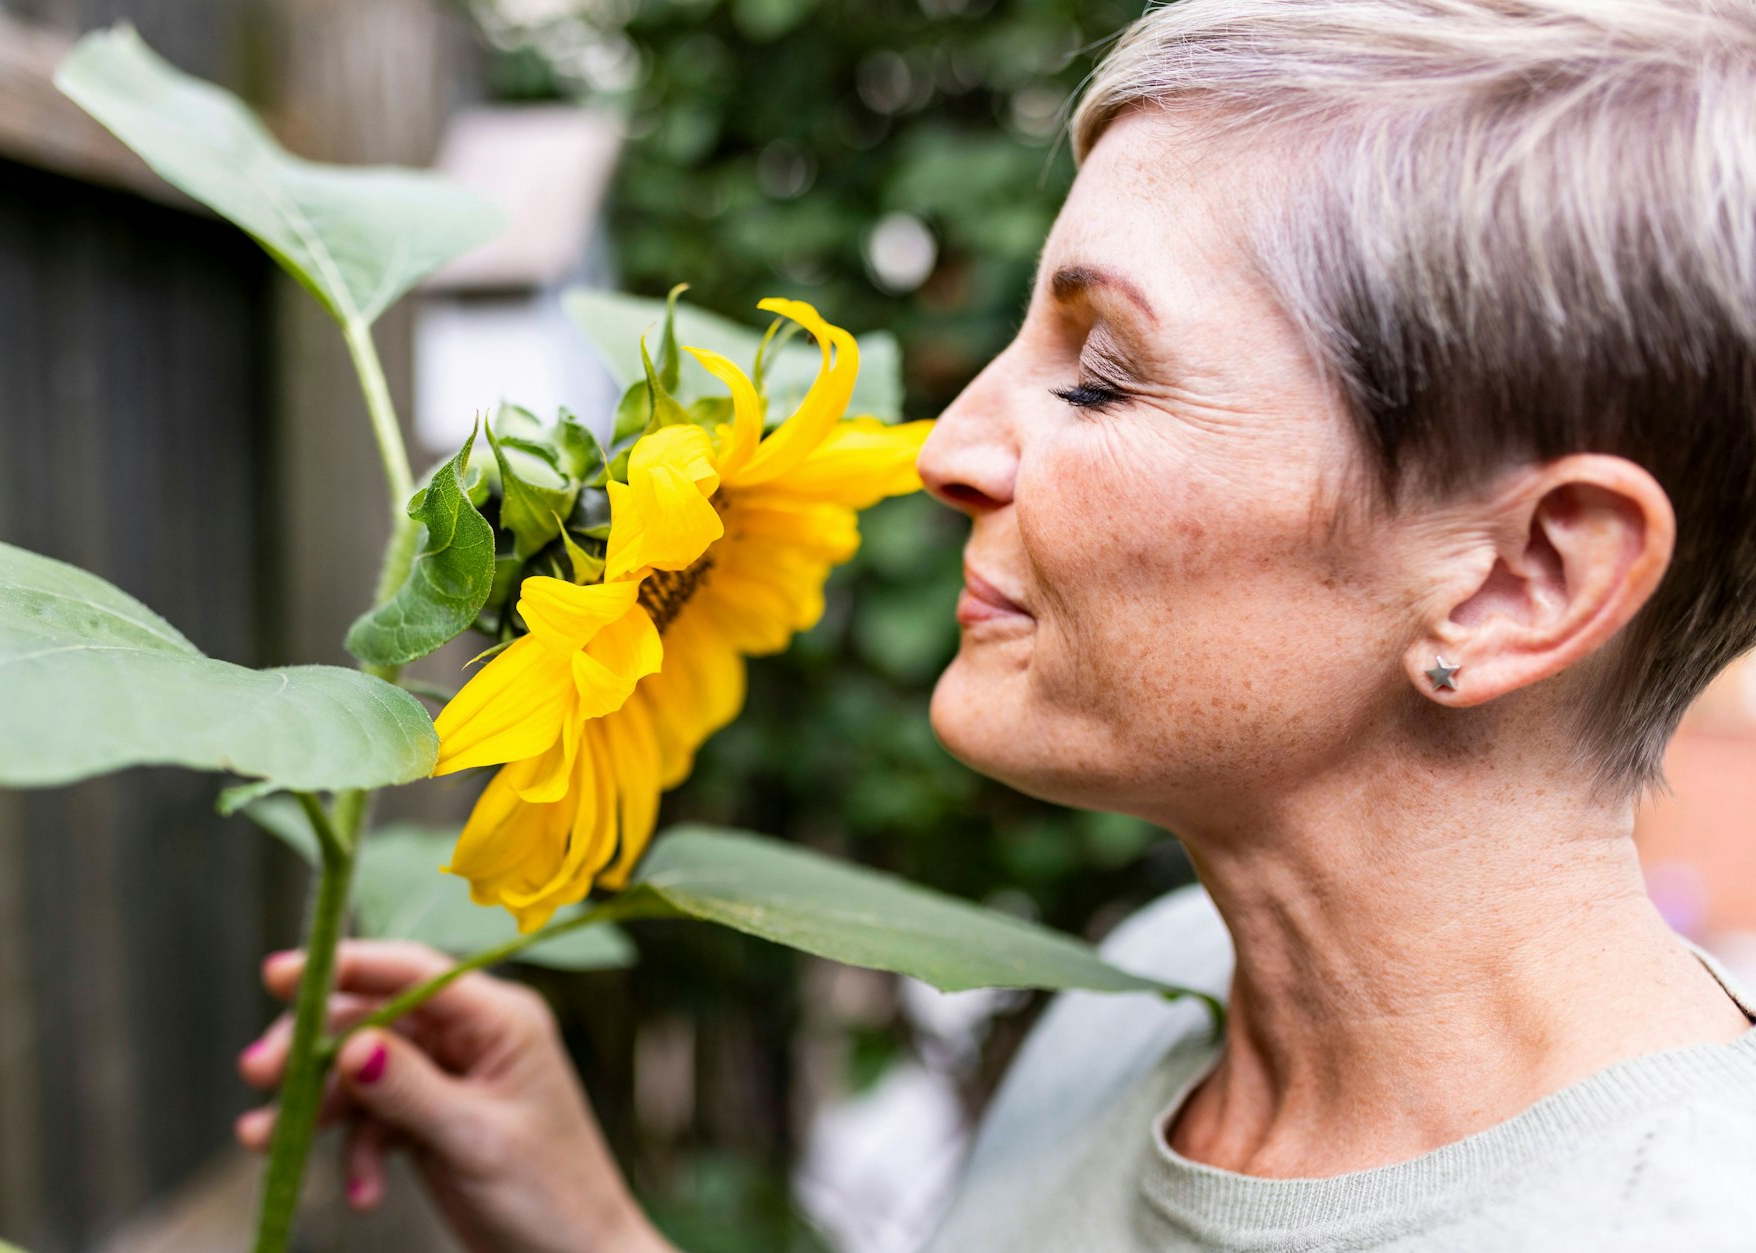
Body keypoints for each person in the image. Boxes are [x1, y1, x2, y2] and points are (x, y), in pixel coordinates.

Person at [235, 0, 1756, 1248]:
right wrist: (583, 1227)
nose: (946, 446)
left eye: (1104, 371)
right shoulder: (1153, 996)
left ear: (1520, 578)